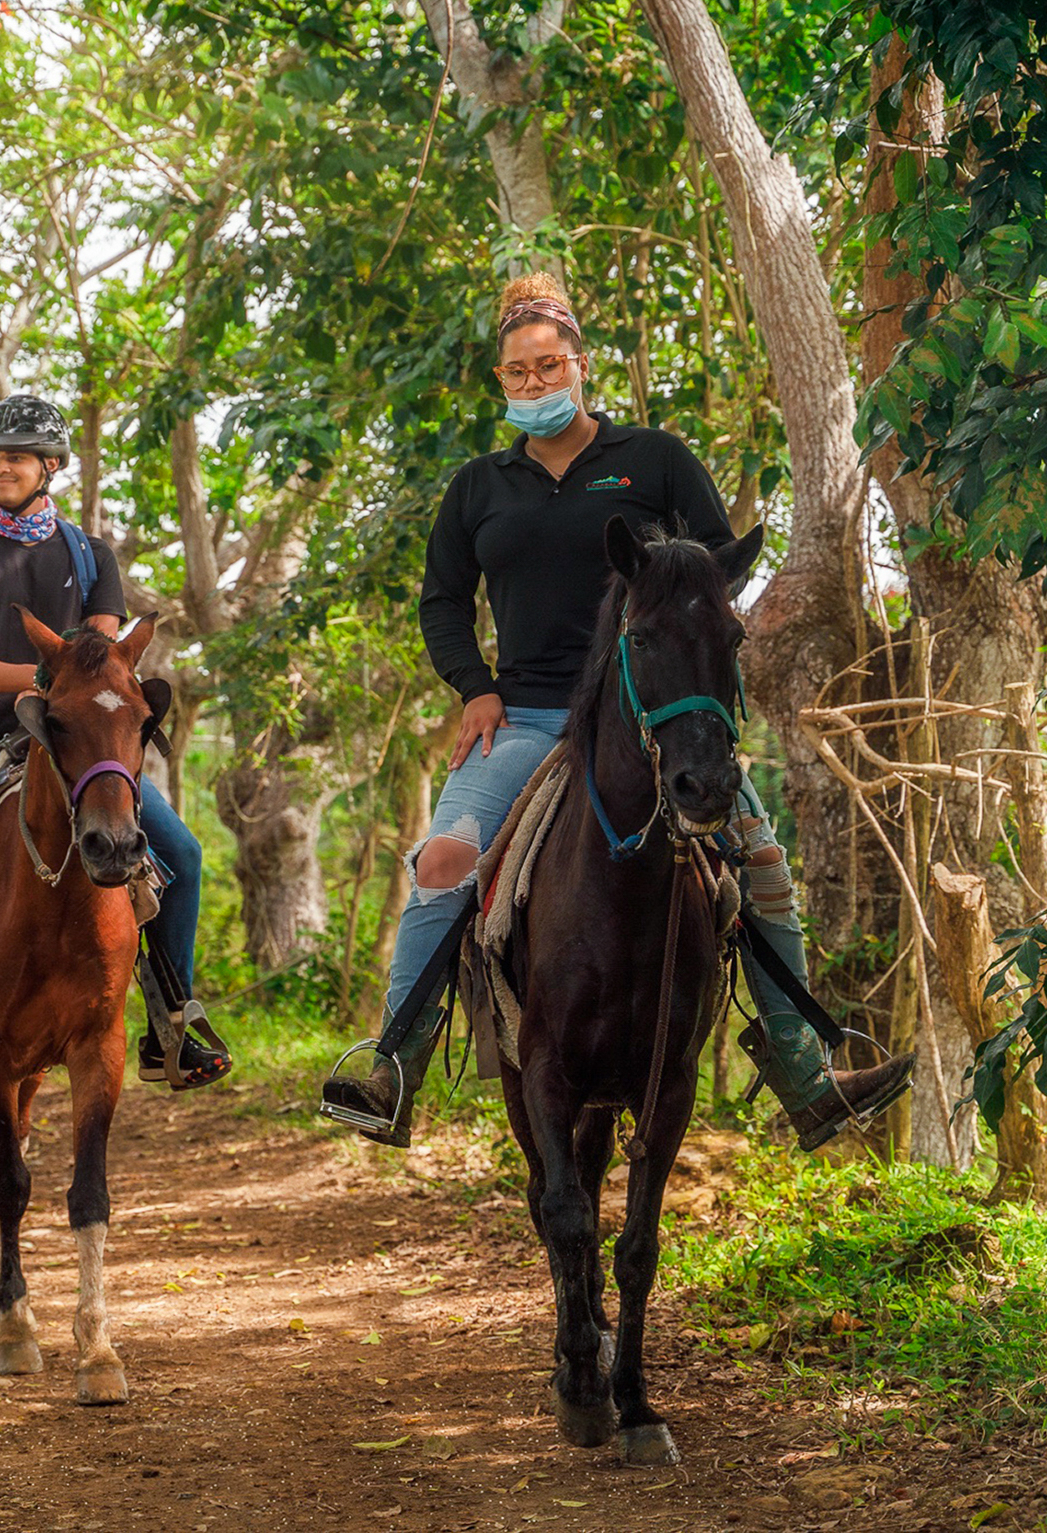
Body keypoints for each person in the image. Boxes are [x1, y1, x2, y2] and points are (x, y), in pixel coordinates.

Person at [317, 273, 913, 1152]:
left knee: (763, 859)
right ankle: (391, 1064)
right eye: (516, 373)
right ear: (502, 382)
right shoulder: (478, 487)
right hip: (522, 717)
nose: (534, 383)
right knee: (443, 860)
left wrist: (679, 628)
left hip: (645, 717)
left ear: (580, 365)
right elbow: (443, 600)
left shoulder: (656, 458)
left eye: (548, 365)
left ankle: (803, 1072)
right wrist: (473, 688)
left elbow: (718, 567)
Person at [0, 394, 231, 1103]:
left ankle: (173, 1016)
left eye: (16, 456)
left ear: (50, 466)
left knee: (182, 854)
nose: (1, 467)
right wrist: (48, 681)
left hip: (72, 751)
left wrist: (67, 703)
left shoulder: (91, 556)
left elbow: (106, 664)